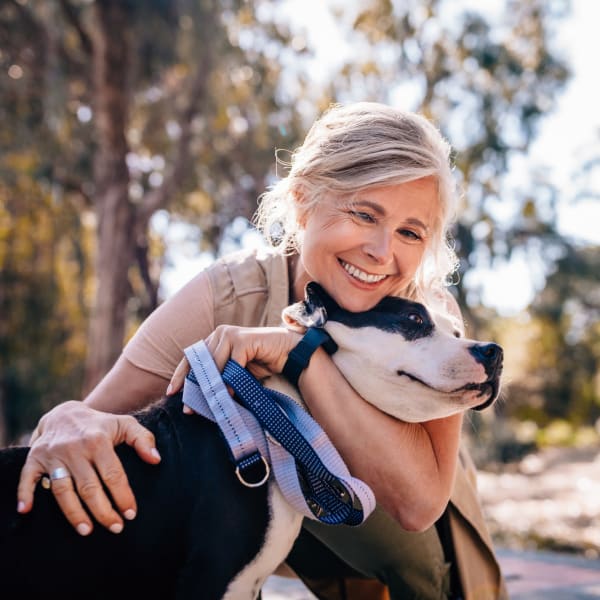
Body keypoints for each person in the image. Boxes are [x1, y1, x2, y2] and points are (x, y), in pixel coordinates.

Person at [17, 102, 507, 599]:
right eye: (364, 214)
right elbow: (92, 421)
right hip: (251, 512)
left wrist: (300, 354)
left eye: (409, 232)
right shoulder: (230, 294)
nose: (382, 253)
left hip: (399, 545)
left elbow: (417, 506)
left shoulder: (432, 318)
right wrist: (65, 421)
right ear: (302, 201)